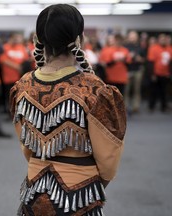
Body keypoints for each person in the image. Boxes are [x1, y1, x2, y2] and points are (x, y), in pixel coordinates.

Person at [10, 4, 126, 216]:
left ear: (38, 39)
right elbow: (108, 158)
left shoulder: (22, 86)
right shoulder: (94, 89)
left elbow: (26, 146)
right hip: (80, 195)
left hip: (33, 192)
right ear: (78, 40)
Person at [147, 33, 172, 113]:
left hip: (165, 74)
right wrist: (152, 74)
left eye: (164, 39)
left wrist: (169, 73)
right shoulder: (153, 48)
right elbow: (150, 62)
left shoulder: (170, 48)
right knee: (153, 91)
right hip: (156, 74)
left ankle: (164, 107)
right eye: (161, 39)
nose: (163, 40)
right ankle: (151, 106)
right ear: (158, 40)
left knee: (164, 91)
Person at [124, 31, 145, 114]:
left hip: (138, 70)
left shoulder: (141, 47)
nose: (132, 38)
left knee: (137, 90)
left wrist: (138, 58)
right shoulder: (125, 47)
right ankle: (125, 106)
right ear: (128, 37)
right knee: (126, 90)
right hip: (127, 70)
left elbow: (144, 60)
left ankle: (135, 107)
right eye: (131, 36)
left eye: (134, 36)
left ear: (137, 37)